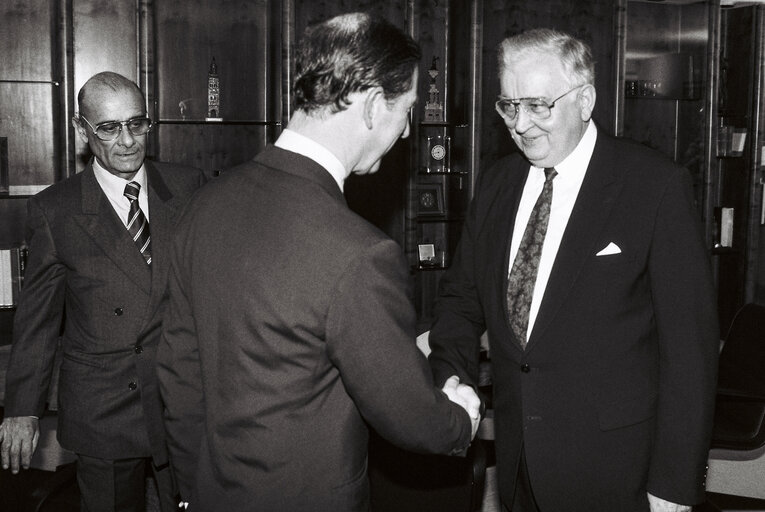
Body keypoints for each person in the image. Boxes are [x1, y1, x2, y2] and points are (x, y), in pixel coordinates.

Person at [157, 12, 481, 512]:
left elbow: (179, 374)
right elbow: (411, 418)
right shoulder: (360, 252)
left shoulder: (202, 206)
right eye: (408, 109)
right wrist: (461, 416)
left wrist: (190, 491)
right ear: (374, 105)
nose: (406, 131)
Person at [427, 28, 719, 512]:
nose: (521, 124)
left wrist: (674, 484)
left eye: (539, 105)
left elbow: (689, 353)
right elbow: (460, 300)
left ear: (585, 100)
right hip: (519, 465)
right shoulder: (498, 183)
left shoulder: (654, 186)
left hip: (616, 470)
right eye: (509, 106)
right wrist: (451, 381)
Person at [0, 71, 206, 512]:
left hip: (180, 396)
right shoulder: (56, 209)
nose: (128, 140)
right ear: (82, 130)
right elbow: (37, 317)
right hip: (103, 406)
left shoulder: (188, 186)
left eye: (138, 124)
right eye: (110, 128)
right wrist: (23, 408)